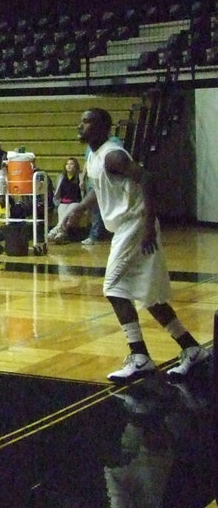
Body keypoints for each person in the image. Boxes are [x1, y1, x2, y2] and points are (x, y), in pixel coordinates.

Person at [59, 108, 210, 382]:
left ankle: (139, 356)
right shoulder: (94, 156)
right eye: (80, 120)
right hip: (126, 227)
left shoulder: (113, 154)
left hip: (136, 225)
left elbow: (148, 180)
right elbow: (102, 189)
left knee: (114, 288)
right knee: (148, 295)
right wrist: (80, 208)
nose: (80, 125)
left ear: (103, 127)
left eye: (87, 121)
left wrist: (149, 227)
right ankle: (192, 348)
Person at [47, 157, 85, 243]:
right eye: (67, 164)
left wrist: (82, 186)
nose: (69, 166)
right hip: (63, 201)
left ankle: (54, 231)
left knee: (65, 215)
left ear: (75, 166)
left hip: (75, 201)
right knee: (62, 216)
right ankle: (61, 233)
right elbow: (57, 191)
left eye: (71, 164)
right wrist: (56, 201)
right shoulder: (61, 177)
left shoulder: (79, 177)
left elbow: (83, 191)